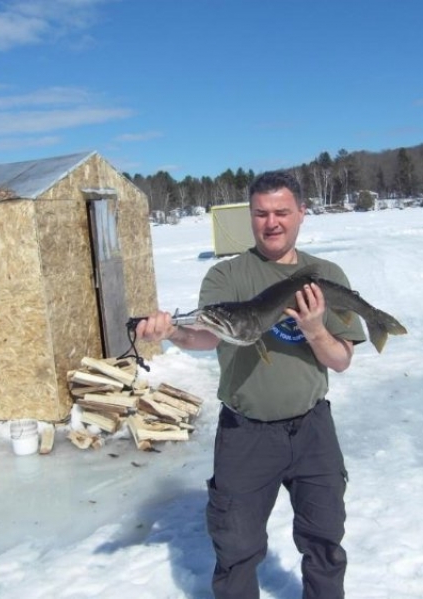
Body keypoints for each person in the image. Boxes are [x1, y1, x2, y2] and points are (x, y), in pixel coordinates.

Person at [135, 170, 366, 599]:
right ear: (251, 217)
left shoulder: (325, 274)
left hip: (313, 431)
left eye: (281, 212)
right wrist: (173, 333)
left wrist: (315, 329)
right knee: (236, 549)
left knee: (324, 542)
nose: (271, 222)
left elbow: (341, 360)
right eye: (261, 213)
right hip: (247, 435)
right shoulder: (227, 277)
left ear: (301, 213)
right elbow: (208, 334)